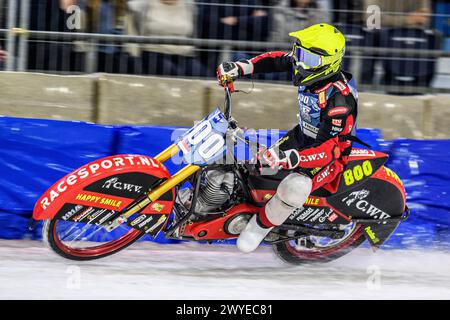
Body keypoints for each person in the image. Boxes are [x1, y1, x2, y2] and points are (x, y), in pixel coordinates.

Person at [216, 23, 360, 253]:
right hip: (302, 137)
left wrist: (291, 158)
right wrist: (240, 68)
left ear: (329, 62)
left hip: (328, 158)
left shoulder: (338, 101)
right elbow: (276, 59)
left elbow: (329, 149)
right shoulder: (304, 64)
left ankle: (259, 227)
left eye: (309, 60)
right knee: (259, 167)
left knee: (296, 186)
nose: (300, 63)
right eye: (300, 53)